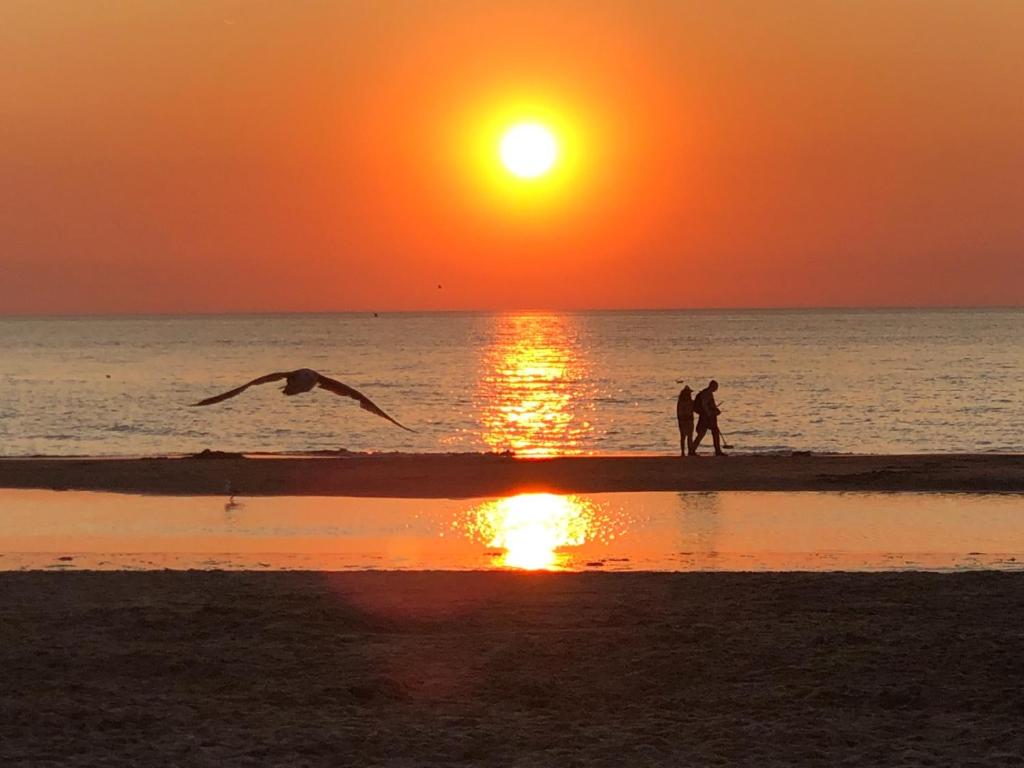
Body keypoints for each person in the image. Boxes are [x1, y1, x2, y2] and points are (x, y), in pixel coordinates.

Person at [692, 379, 726, 456]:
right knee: (713, 432)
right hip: (707, 417)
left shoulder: (707, 392)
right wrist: (709, 413)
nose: (717, 389)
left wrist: (715, 410)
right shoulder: (707, 393)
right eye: (716, 387)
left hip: (706, 416)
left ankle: (692, 449)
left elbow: (708, 405)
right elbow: (704, 405)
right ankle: (717, 451)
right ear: (712, 386)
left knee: (703, 433)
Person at [676, 385, 695, 457]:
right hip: (685, 420)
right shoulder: (682, 402)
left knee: (686, 437)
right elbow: (679, 412)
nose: (690, 394)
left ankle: (687, 452)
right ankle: (684, 452)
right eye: (689, 393)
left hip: (686, 420)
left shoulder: (687, 401)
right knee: (685, 437)